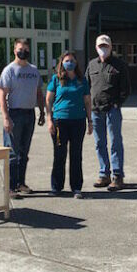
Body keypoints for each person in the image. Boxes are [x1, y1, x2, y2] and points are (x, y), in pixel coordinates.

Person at [0, 38, 46, 197]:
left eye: (26, 49)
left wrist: (42, 112)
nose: (23, 51)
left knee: (24, 152)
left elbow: (39, 93)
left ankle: (21, 183)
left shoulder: (33, 71)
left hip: (29, 114)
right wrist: (6, 117)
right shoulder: (9, 70)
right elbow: (2, 95)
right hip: (14, 114)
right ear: (14, 50)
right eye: (20, 48)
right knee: (12, 152)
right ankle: (10, 187)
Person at [86, 34, 130, 191]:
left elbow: (126, 88)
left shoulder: (119, 65)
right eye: (100, 46)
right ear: (96, 48)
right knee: (99, 143)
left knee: (115, 142)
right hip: (96, 110)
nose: (103, 48)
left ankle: (117, 176)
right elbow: (87, 87)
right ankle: (104, 174)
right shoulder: (91, 65)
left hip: (112, 110)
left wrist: (118, 104)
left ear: (111, 47)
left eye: (106, 46)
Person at [46, 52, 93, 199]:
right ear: (62, 63)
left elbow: (87, 101)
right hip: (60, 121)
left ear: (76, 63)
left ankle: (76, 187)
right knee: (59, 155)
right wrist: (49, 120)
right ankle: (57, 187)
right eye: (67, 61)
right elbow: (48, 100)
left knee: (76, 155)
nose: (70, 63)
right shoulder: (56, 79)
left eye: (72, 60)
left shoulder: (82, 80)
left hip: (78, 122)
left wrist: (90, 120)